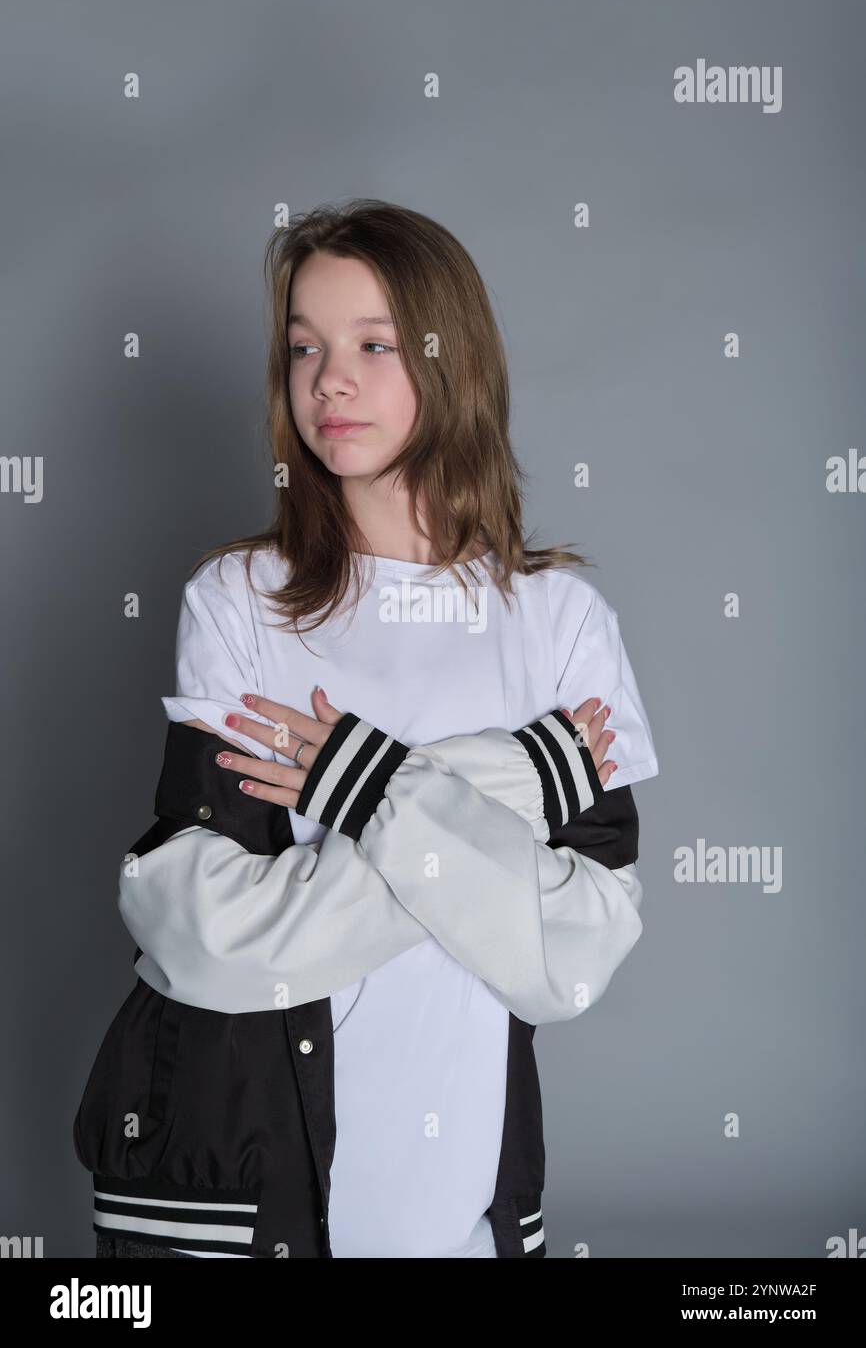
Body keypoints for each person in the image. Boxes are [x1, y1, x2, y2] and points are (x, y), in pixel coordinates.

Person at [74, 198, 659, 1259]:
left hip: (462, 1212)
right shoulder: (238, 599)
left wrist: (359, 785)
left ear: (454, 362)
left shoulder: (561, 622)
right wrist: (506, 789)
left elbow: (569, 958)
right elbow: (202, 932)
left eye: (372, 345)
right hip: (233, 1210)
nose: (326, 380)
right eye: (303, 346)